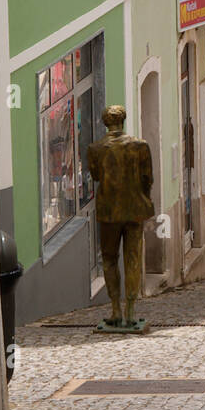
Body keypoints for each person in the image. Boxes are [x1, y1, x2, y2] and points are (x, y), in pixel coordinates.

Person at [87, 106, 155, 330]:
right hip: (134, 210)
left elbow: (96, 176)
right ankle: (132, 311)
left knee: (109, 259)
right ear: (123, 121)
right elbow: (148, 178)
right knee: (133, 258)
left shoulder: (95, 149)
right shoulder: (140, 146)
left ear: (105, 123)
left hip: (109, 212)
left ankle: (115, 309)